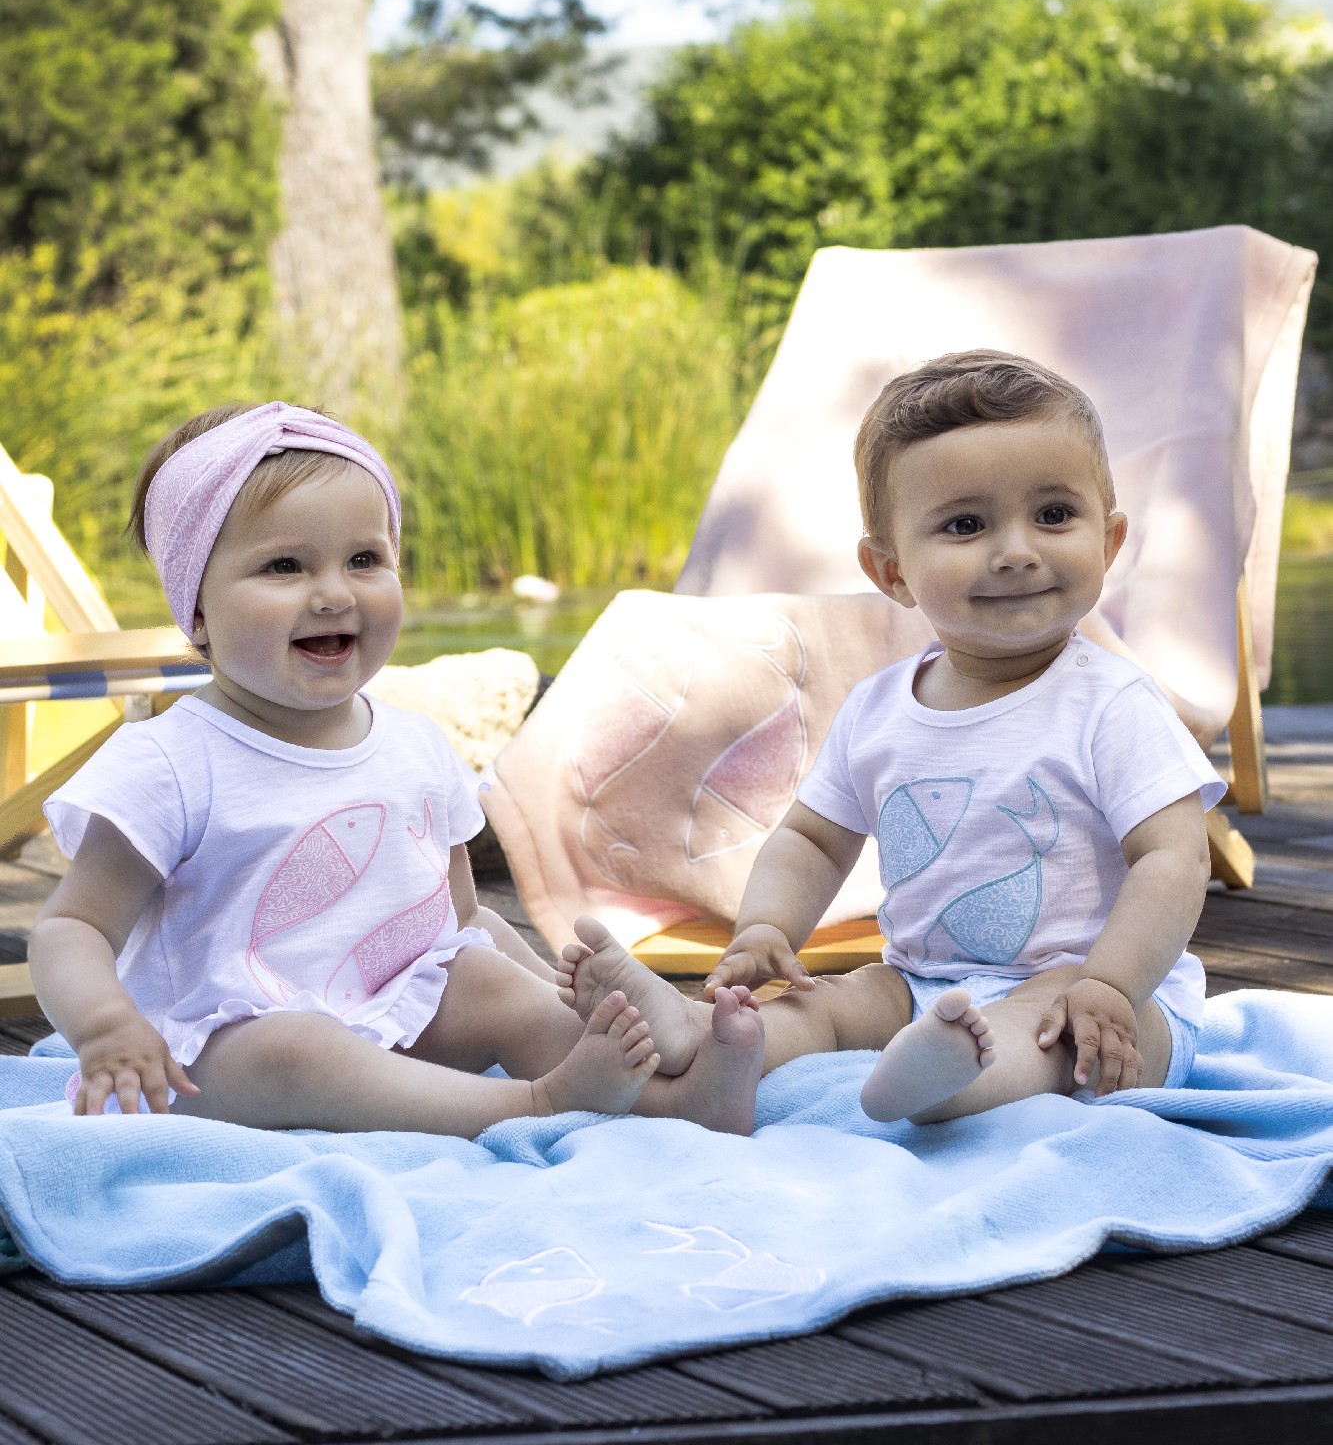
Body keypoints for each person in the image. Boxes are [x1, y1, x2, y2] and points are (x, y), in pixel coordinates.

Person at [28, 402, 759, 1136]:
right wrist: (106, 1027)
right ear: (196, 611)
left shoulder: (414, 745)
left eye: (364, 560)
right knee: (297, 1047)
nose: (334, 593)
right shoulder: (170, 762)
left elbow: (461, 920)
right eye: (284, 566)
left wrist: (550, 996)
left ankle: (678, 1101)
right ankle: (532, 1104)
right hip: (219, 1057)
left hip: (397, 1016)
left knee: (483, 976)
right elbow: (73, 926)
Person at [558, 350, 1225, 1129]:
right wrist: (768, 928)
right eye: (965, 525)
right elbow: (811, 839)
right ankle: (708, 1032)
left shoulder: (1112, 704)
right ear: (891, 571)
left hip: (1104, 990)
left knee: (1050, 1027)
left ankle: (954, 1085)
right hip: (919, 981)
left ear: (1107, 543)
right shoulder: (879, 709)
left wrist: (1111, 983)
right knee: (835, 1002)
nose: (1017, 550)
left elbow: (1174, 858)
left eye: (1052, 515)